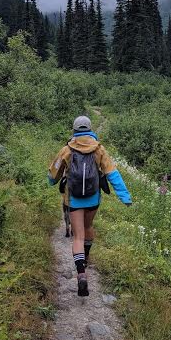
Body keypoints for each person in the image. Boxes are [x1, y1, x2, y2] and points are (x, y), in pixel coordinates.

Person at [48, 115, 132, 296]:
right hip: (93, 199)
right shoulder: (99, 149)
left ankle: (81, 274)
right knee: (88, 227)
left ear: (74, 130)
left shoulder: (67, 150)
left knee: (77, 236)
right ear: (90, 129)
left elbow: (53, 174)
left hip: (75, 199)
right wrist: (125, 196)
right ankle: (85, 258)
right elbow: (113, 174)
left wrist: (51, 179)